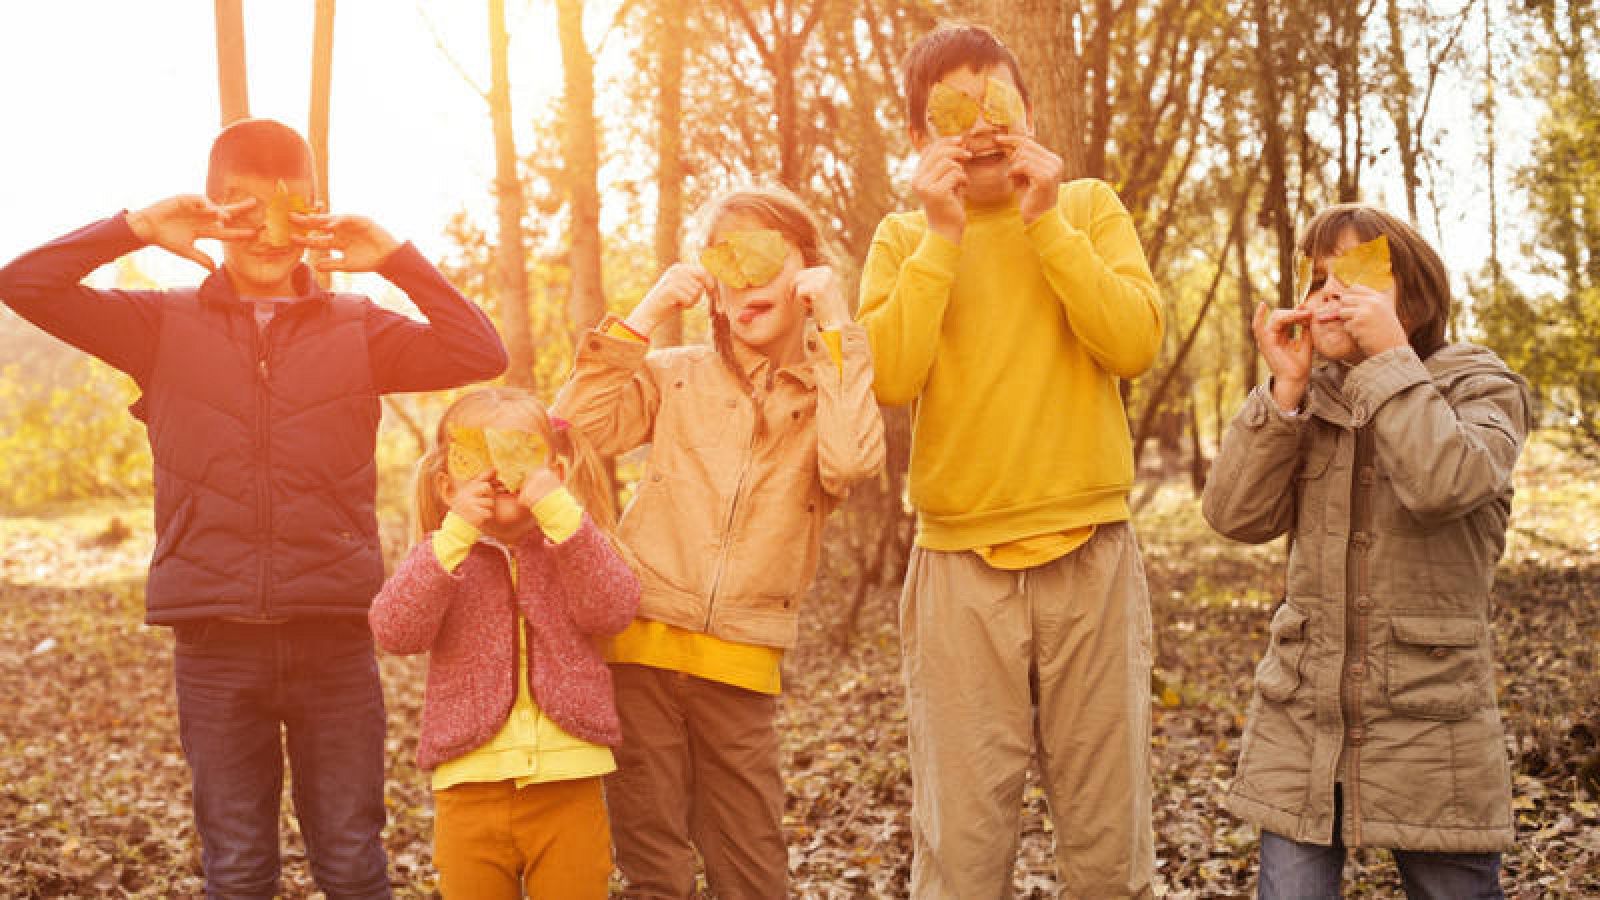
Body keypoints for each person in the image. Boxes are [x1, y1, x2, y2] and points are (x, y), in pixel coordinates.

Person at [0, 118, 507, 899]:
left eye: (291, 208)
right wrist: (136, 227)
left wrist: (395, 258)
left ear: (316, 212)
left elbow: (480, 352)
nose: (270, 231)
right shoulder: (159, 325)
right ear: (213, 209)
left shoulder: (358, 329)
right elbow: (22, 284)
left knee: (353, 863)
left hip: (334, 638)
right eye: (243, 206)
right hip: (214, 641)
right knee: (237, 869)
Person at [856, 22, 1165, 899]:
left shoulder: (1090, 207)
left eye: (997, 103)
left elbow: (1133, 344)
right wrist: (941, 234)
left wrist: (1046, 224)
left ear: (1030, 112)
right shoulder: (900, 238)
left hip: (1092, 552)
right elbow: (888, 377)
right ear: (918, 137)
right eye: (954, 112)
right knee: (961, 851)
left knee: (1110, 846)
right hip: (958, 567)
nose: (983, 127)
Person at [553, 184, 885, 898]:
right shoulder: (676, 374)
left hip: (740, 665)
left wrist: (838, 325)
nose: (743, 277)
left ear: (808, 270)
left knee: (752, 872)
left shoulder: (827, 390)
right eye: (724, 261)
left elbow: (852, 462)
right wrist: (644, 316)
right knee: (657, 871)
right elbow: (571, 431)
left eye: (762, 255)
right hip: (639, 651)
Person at [1202, 204, 1527, 899]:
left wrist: (1388, 361)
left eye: (1355, 276)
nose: (1331, 295)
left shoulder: (1480, 383)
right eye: (1318, 279)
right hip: (1303, 717)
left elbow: (1446, 481)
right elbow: (1234, 516)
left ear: (1414, 292)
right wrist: (1286, 392)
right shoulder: (1312, 395)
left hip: (1431, 722)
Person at [368, 387, 640, 899]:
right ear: (447, 485)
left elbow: (614, 610)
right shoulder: (443, 554)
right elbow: (395, 630)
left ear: (556, 472)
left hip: (569, 779)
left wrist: (560, 513)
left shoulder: (573, 546)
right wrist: (455, 532)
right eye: (477, 457)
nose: (498, 471)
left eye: (518, 451)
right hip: (469, 785)